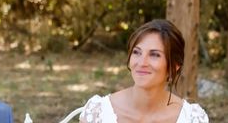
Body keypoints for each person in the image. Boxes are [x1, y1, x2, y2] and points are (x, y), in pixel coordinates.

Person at [78, 19, 208, 123]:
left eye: (154, 55)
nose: (142, 63)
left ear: (174, 66)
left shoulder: (191, 118)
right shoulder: (98, 113)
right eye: (137, 52)